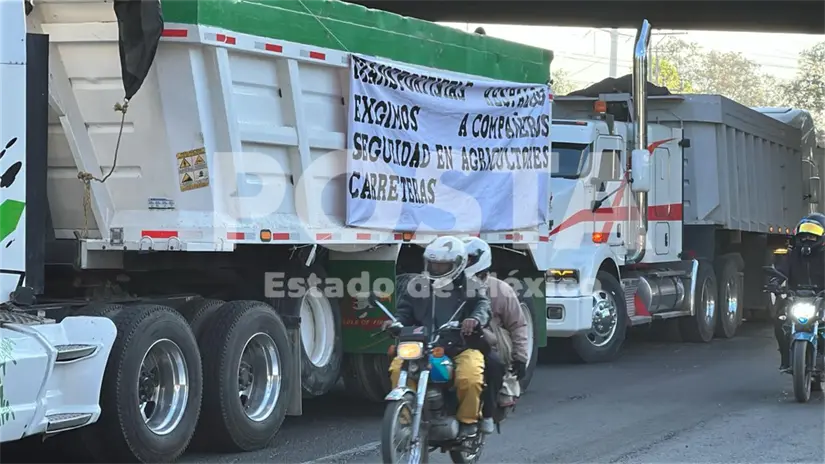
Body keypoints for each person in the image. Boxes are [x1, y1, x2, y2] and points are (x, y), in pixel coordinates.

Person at [385, 235, 492, 437]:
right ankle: (405, 422)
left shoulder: (471, 286)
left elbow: (483, 306)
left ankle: (468, 422)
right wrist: (395, 322)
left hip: (460, 346)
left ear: (458, 264)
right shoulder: (417, 286)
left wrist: (474, 319)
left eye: (443, 265)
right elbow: (404, 311)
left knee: (470, 377)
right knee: (398, 368)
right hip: (422, 346)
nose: (436, 268)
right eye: (433, 264)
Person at [462, 237, 529, 435]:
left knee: (495, 365)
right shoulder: (449, 287)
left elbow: (518, 325)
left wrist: (520, 357)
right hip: (455, 340)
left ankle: (489, 411)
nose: (465, 262)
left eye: (469, 259)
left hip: (489, 342)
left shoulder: (501, 290)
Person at [770, 213, 825, 371]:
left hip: (822, 297)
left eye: (812, 236)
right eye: (804, 236)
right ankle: (786, 358)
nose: (807, 239)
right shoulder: (792, 255)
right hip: (796, 297)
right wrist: (774, 282)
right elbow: (781, 270)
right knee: (780, 321)